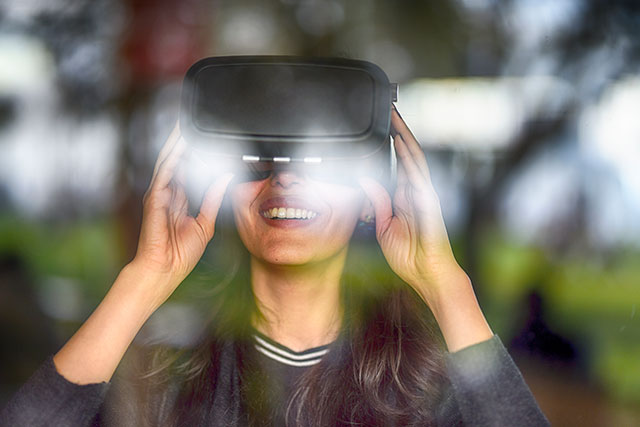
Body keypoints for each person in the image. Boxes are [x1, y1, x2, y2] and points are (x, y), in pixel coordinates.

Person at [0, 107, 549, 426]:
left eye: (322, 159)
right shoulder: (165, 380)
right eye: (261, 154)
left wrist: (444, 281)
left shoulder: (422, 388)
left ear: (369, 196)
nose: (286, 176)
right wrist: (143, 279)